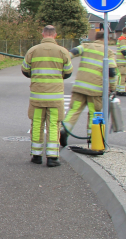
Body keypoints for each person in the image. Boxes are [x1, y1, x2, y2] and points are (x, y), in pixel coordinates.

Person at [21, 25, 73, 167]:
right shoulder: (63, 51)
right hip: (55, 98)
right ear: (55, 35)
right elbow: (68, 72)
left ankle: (36, 156)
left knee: (37, 124)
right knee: (54, 125)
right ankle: (52, 158)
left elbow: (25, 70)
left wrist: (35, 75)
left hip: (37, 97)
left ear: (43, 34)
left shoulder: (33, 50)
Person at [60, 30, 116, 146]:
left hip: (80, 87)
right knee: (94, 113)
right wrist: (113, 88)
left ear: (96, 38)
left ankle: (65, 130)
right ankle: (92, 137)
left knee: (74, 110)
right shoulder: (108, 52)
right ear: (106, 39)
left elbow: (70, 53)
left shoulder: (86, 46)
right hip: (95, 90)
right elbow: (112, 72)